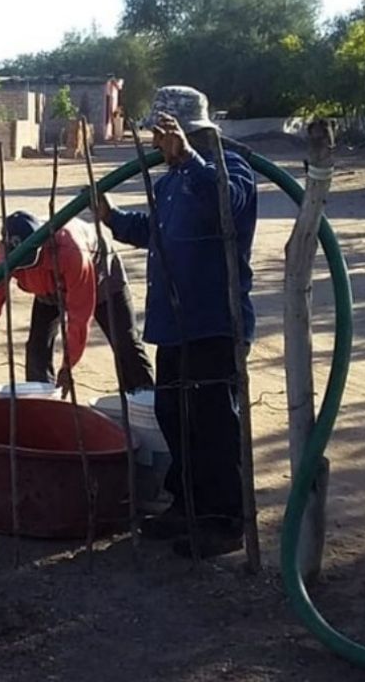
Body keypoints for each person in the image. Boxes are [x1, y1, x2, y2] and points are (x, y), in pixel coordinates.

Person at [94, 85, 258, 559]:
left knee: (213, 425)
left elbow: (228, 205)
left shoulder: (230, 168)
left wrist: (189, 161)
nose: (156, 144)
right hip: (173, 322)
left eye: (163, 134)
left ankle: (224, 521)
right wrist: (113, 218)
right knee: (175, 417)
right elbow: (154, 230)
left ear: (185, 132)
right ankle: (187, 506)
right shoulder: (168, 181)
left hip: (213, 322)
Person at [0, 212, 154, 397]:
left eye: (31, 260)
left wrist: (68, 366)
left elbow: (79, 316)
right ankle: (41, 403)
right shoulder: (3, 258)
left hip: (100, 279)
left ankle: (146, 402)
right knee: (37, 347)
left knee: (125, 343)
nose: (26, 266)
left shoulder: (70, 250)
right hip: (47, 289)